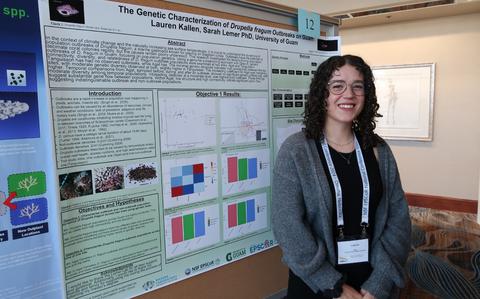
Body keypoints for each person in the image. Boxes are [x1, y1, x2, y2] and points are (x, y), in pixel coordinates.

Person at [272, 55, 411, 299]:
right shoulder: (296, 151)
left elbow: (399, 220)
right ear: (321, 94)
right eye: (338, 86)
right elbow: (288, 227)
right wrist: (333, 285)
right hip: (316, 285)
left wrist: (379, 282)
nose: (349, 94)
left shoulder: (379, 150)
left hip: (373, 283)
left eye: (358, 86)